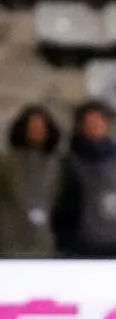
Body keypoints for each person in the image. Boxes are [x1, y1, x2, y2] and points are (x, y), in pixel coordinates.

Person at [52, 102, 116, 258]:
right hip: (85, 245)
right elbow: (62, 206)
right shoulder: (69, 163)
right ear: (80, 126)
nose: (95, 126)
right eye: (89, 122)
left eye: (99, 121)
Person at [0, 105, 62, 258]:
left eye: (41, 126)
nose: (37, 130)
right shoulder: (7, 162)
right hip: (11, 241)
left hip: (46, 241)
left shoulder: (57, 163)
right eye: (33, 126)